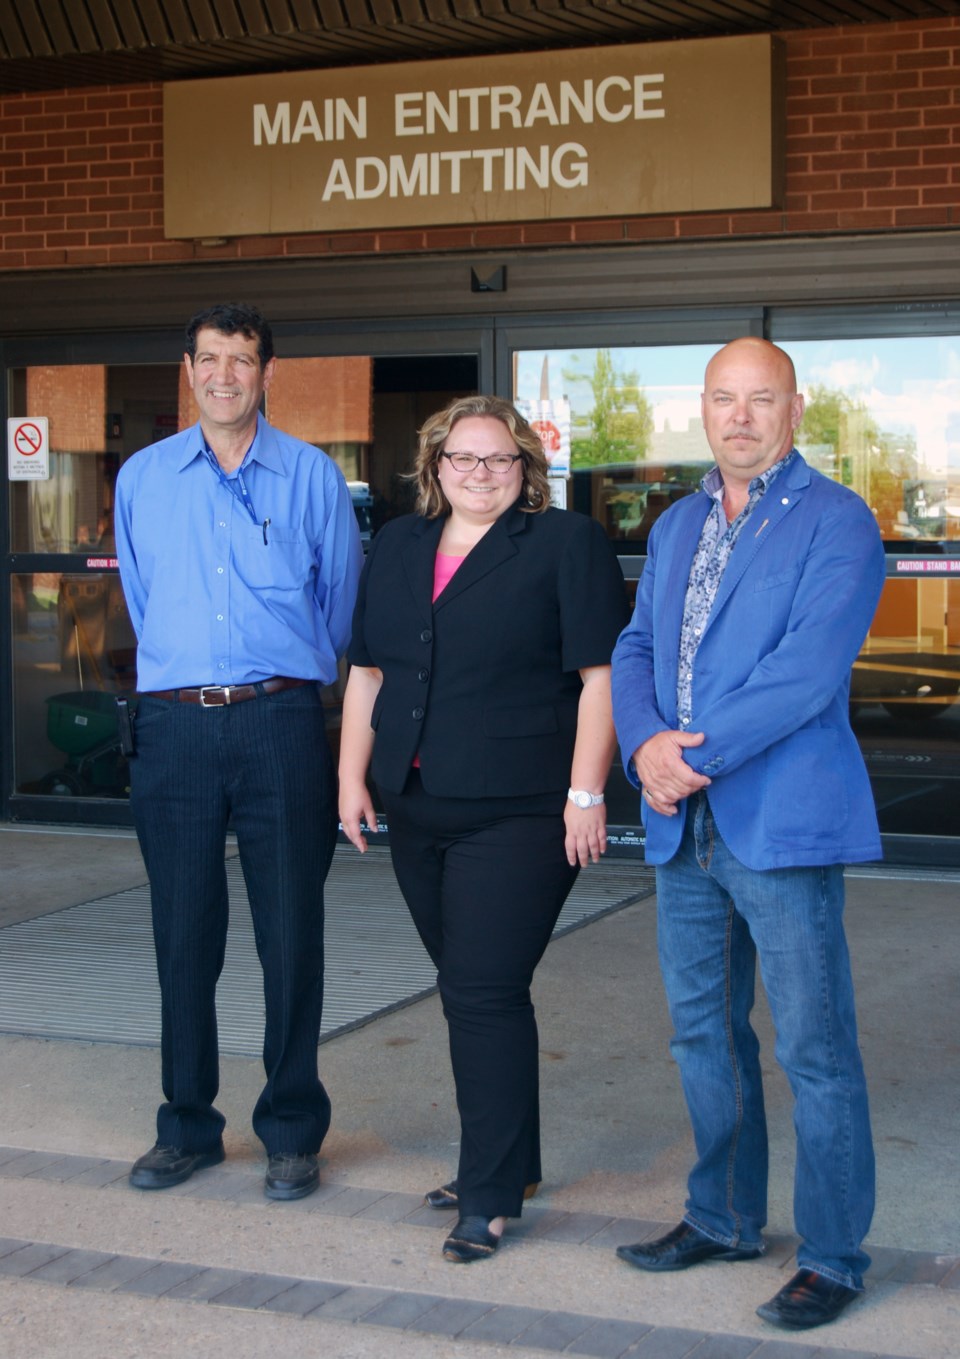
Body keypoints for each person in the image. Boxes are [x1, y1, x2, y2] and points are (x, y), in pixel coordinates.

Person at [610, 337, 884, 1330]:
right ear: (704, 409)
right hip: (686, 828)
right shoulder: (679, 522)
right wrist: (642, 743)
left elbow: (808, 675)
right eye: (723, 399)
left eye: (760, 399)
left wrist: (691, 756)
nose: (740, 417)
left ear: (795, 409)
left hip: (780, 822)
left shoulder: (838, 523)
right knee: (701, 1038)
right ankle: (722, 1216)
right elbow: (637, 642)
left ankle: (834, 1256)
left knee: (816, 1049)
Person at [338, 394, 629, 1263]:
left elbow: (600, 678)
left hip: (523, 808)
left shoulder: (563, 544)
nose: (479, 474)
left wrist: (586, 793)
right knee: (475, 985)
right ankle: (518, 1160)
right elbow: (368, 671)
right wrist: (351, 774)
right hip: (417, 803)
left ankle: (490, 1190)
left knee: (482, 990)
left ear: (525, 468)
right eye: (461, 459)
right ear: (434, 468)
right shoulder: (397, 544)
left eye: (498, 460)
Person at [115, 302, 363, 1201]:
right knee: (183, 934)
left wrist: (278, 681)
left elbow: (338, 611)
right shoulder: (143, 478)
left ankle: (292, 1128)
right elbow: (144, 603)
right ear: (189, 369)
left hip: (279, 723)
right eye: (209, 359)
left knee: (291, 928)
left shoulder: (311, 477)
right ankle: (186, 1124)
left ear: (267, 373)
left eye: (242, 360)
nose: (224, 375)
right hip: (174, 727)